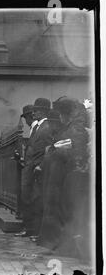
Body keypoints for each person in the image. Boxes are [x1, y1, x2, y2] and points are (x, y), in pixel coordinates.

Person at [38, 97, 90, 259]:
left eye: (61, 114)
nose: (59, 118)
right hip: (62, 176)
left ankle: (68, 248)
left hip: (70, 177)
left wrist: (53, 149)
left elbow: (73, 150)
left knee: (69, 212)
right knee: (62, 210)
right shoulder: (70, 128)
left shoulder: (76, 129)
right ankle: (59, 245)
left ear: (66, 114)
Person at [15, 98, 53, 240]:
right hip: (29, 168)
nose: (33, 113)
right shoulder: (36, 127)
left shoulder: (47, 127)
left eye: (36, 110)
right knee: (27, 199)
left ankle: (35, 231)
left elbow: (49, 149)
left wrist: (40, 165)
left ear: (43, 111)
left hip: (37, 169)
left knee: (36, 200)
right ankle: (29, 229)